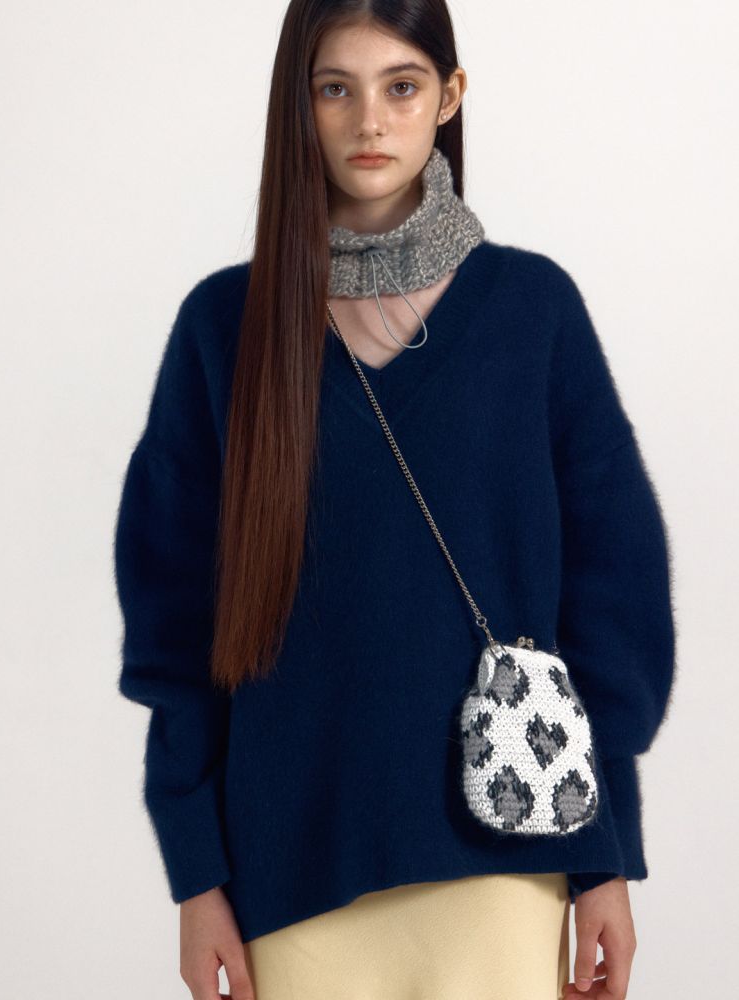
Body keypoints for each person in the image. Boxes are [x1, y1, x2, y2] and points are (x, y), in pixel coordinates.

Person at [113, 3, 676, 999]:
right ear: (298, 105)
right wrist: (196, 875)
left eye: (401, 86)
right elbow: (174, 632)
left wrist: (606, 856)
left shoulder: (533, 313)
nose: (369, 120)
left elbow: (614, 605)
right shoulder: (223, 330)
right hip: (290, 876)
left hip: (506, 865)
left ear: (449, 97)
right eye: (335, 88)